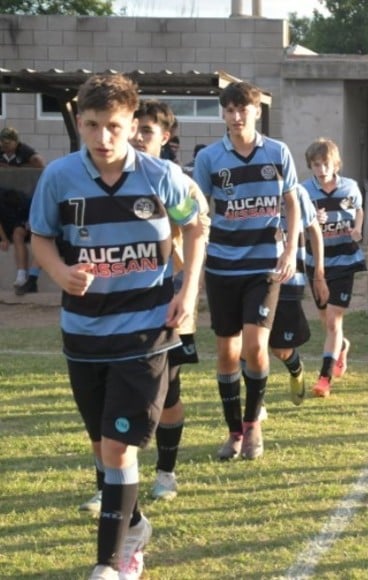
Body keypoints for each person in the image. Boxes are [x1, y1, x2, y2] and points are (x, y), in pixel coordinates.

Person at [28, 73, 205, 579]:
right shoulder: (59, 177)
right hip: (82, 333)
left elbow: (196, 225)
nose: (103, 138)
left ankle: (109, 563)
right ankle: (136, 524)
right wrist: (59, 270)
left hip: (146, 331)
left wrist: (187, 293)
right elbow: (41, 237)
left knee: (117, 447)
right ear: (78, 123)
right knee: (101, 449)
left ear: (132, 125)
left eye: (113, 126)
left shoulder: (159, 176)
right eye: (92, 125)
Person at [193, 81, 300, 461]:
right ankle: (233, 432)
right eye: (230, 111)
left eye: (244, 109)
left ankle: (253, 426)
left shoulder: (277, 152)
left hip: (264, 265)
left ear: (257, 111)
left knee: (255, 348)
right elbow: (197, 207)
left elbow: (292, 204)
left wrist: (290, 250)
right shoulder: (209, 158)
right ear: (223, 114)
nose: (237, 117)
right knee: (226, 354)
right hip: (222, 266)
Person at [129, 99, 210, 501]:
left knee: (167, 392)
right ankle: (110, 479)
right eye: (134, 128)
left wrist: (185, 291)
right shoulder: (106, 177)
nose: (138, 137)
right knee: (121, 394)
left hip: (168, 309)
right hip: (120, 308)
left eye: (147, 130)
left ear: (165, 136)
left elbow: (198, 234)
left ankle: (165, 471)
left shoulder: (178, 183)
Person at [300, 138, 366, 398]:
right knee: (326, 320)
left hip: (345, 260)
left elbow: (358, 210)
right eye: (316, 165)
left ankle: (324, 378)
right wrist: (312, 222)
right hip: (317, 263)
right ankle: (342, 346)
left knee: (333, 321)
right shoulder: (304, 191)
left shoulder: (350, 187)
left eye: (325, 164)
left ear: (335, 163)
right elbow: (296, 223)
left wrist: (358, 228)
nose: (321, 169)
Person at [267, 183, 328, 406]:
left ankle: (296, 369)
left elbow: (314, 230)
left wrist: (319, 275)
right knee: (249, 345)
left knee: (280, 349)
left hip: (289, 278)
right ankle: (256, 405)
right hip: (253, 275)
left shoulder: (297, 192)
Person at [0, 186, 41, 294]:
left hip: (33, 222)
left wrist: (30, 224)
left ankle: (32, 277)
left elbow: (40, 216)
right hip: (16, 225)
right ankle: (21, 275)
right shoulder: (3, 201)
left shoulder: (28, 201)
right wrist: (4, 239)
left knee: (39, 238)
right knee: (17, 235)